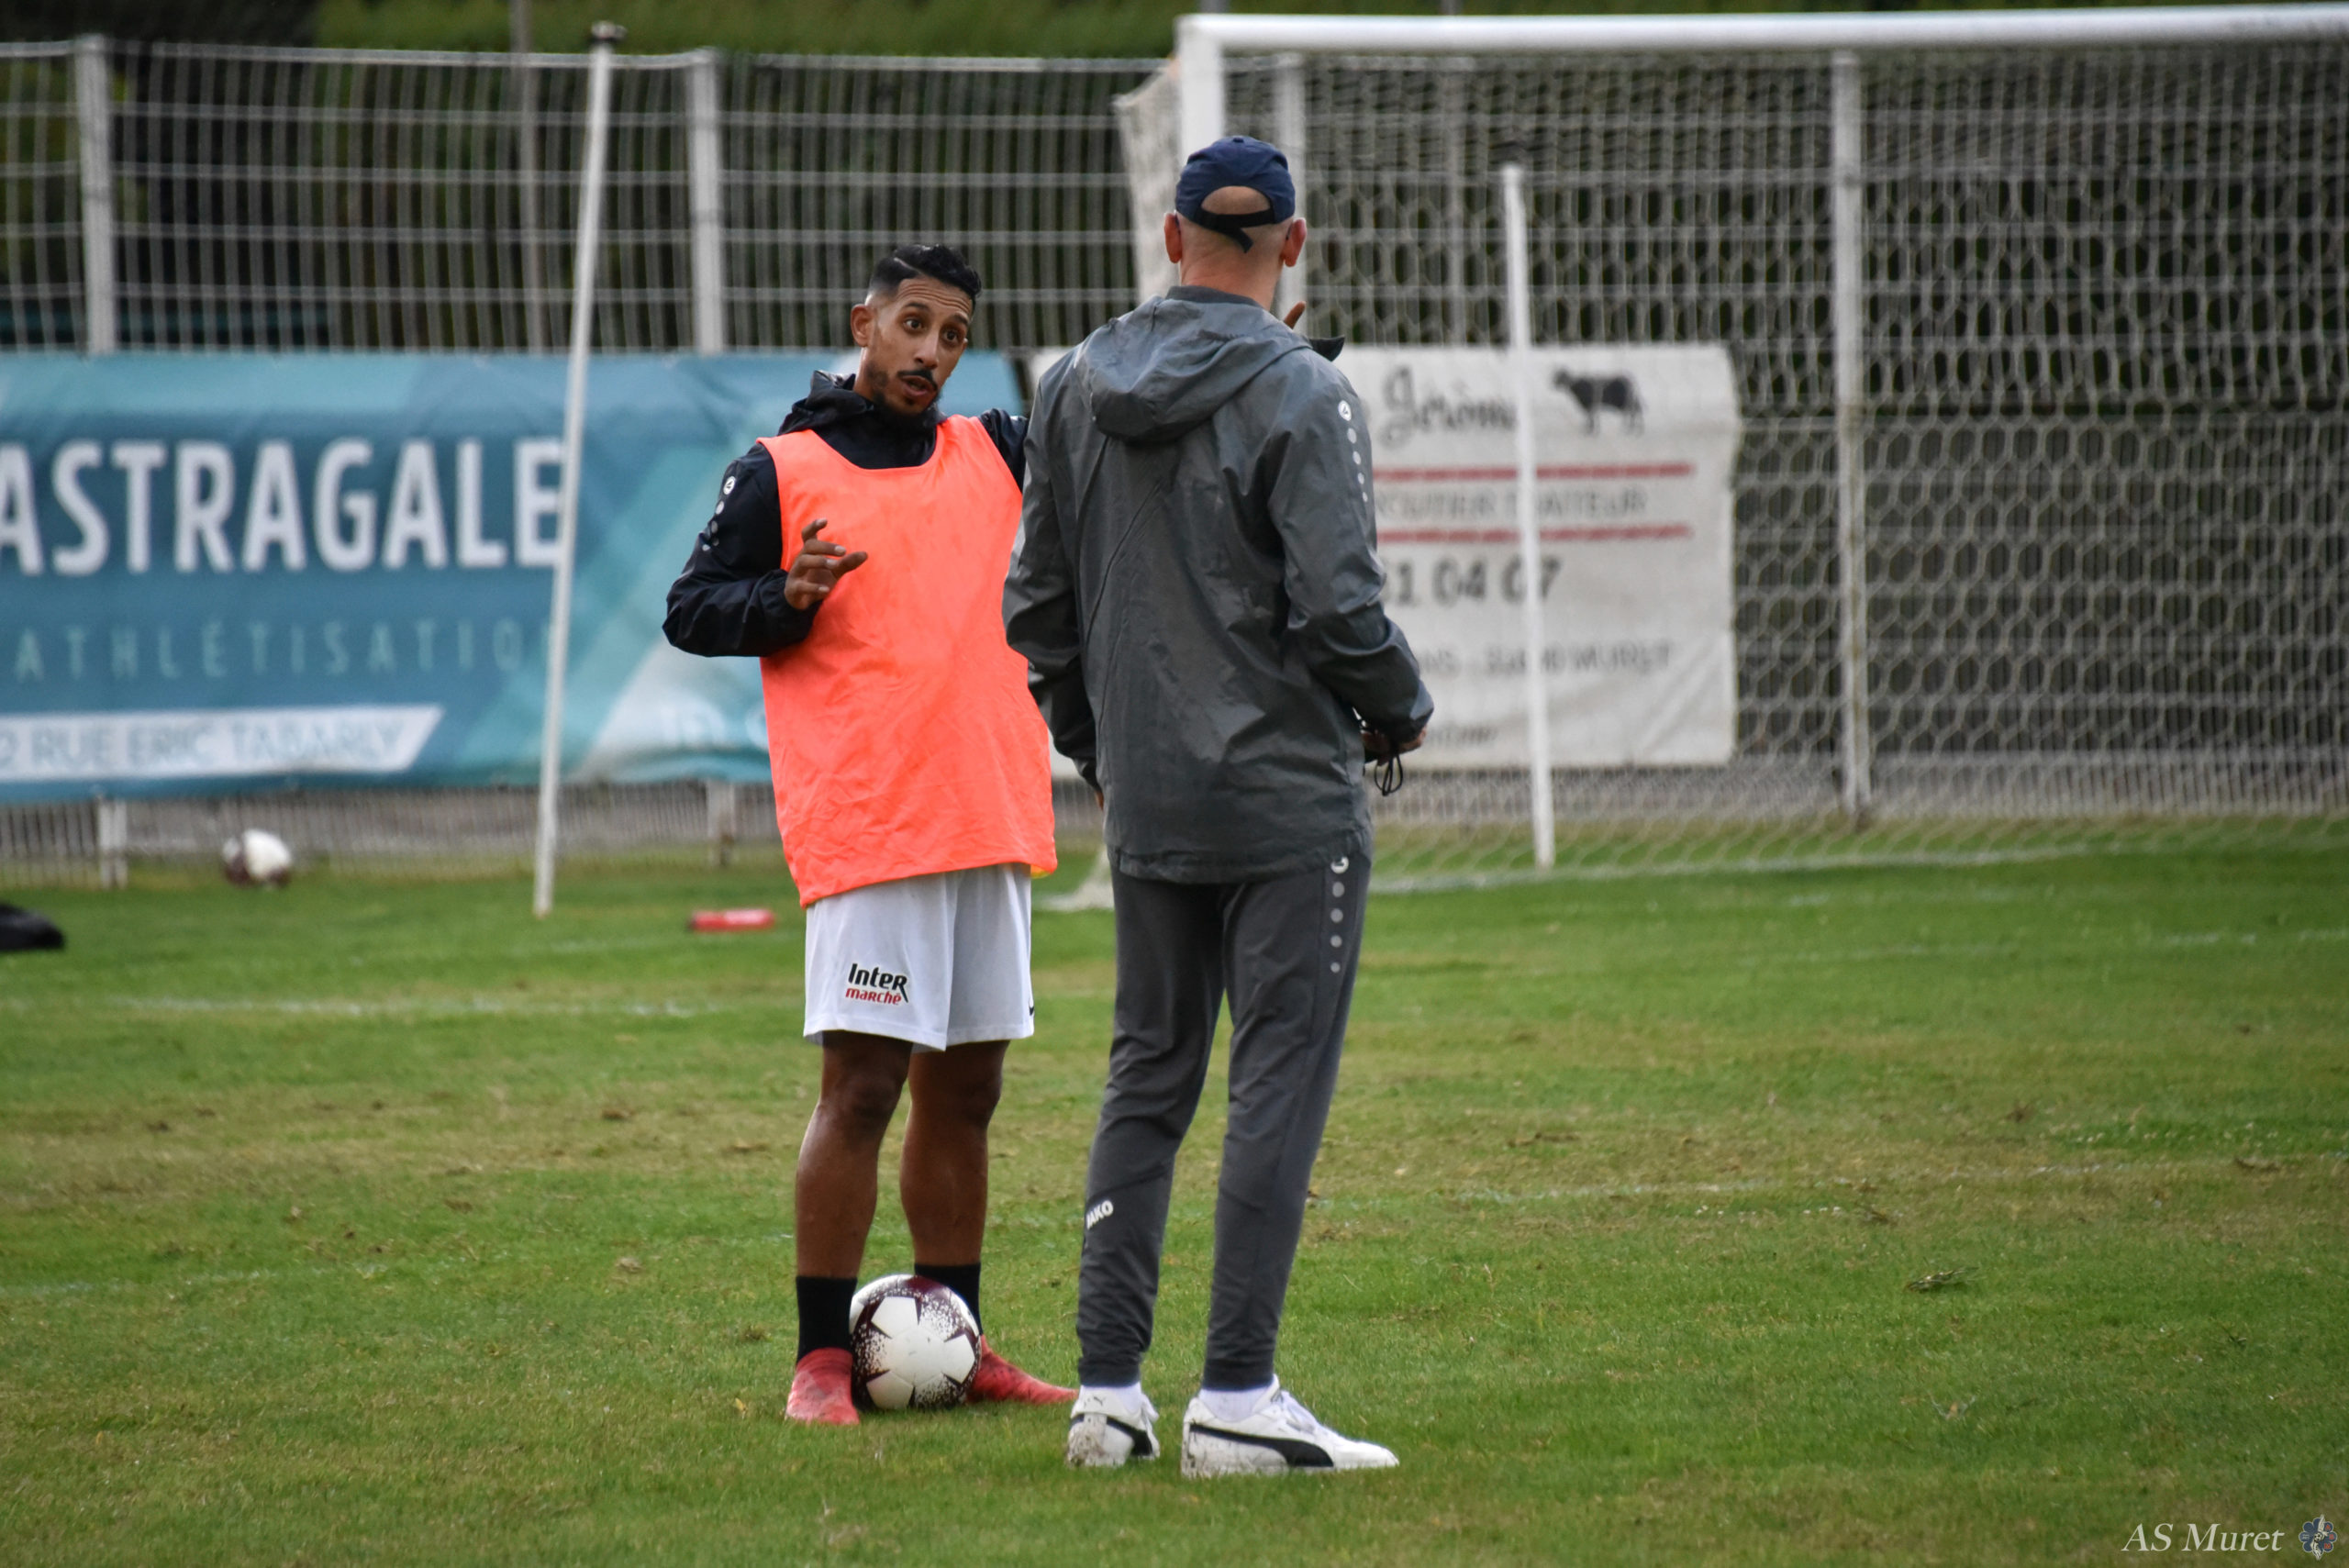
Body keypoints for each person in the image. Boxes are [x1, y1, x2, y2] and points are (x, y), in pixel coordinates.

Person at [1005, 137, 1432, 1476]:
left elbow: (1037, 609)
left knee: (1146, 1076)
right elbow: (1343, 611)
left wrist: (1104, 753)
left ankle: (1106, 1397)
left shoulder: (1072, 384)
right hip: (1286, 804)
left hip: (1151, 799)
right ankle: (1238, 1395)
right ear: (1292, 244)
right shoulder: (1304, 388)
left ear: (1171, 234)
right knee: (1274, 1085)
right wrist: (1404, 708)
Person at [664, 243, 1073, 1426]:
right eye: (914, 324)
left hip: (989, 811)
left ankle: (959, 1340)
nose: (932, 352)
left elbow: (1119, 440)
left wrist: (1248, 364)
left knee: (970, 1092)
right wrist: (784, 596)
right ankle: (819, 1364)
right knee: (861, 1089)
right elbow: (691, 609)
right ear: (865, 323)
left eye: (955, 335)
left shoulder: (996, 449)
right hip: (872, 825)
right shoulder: (780, 468)